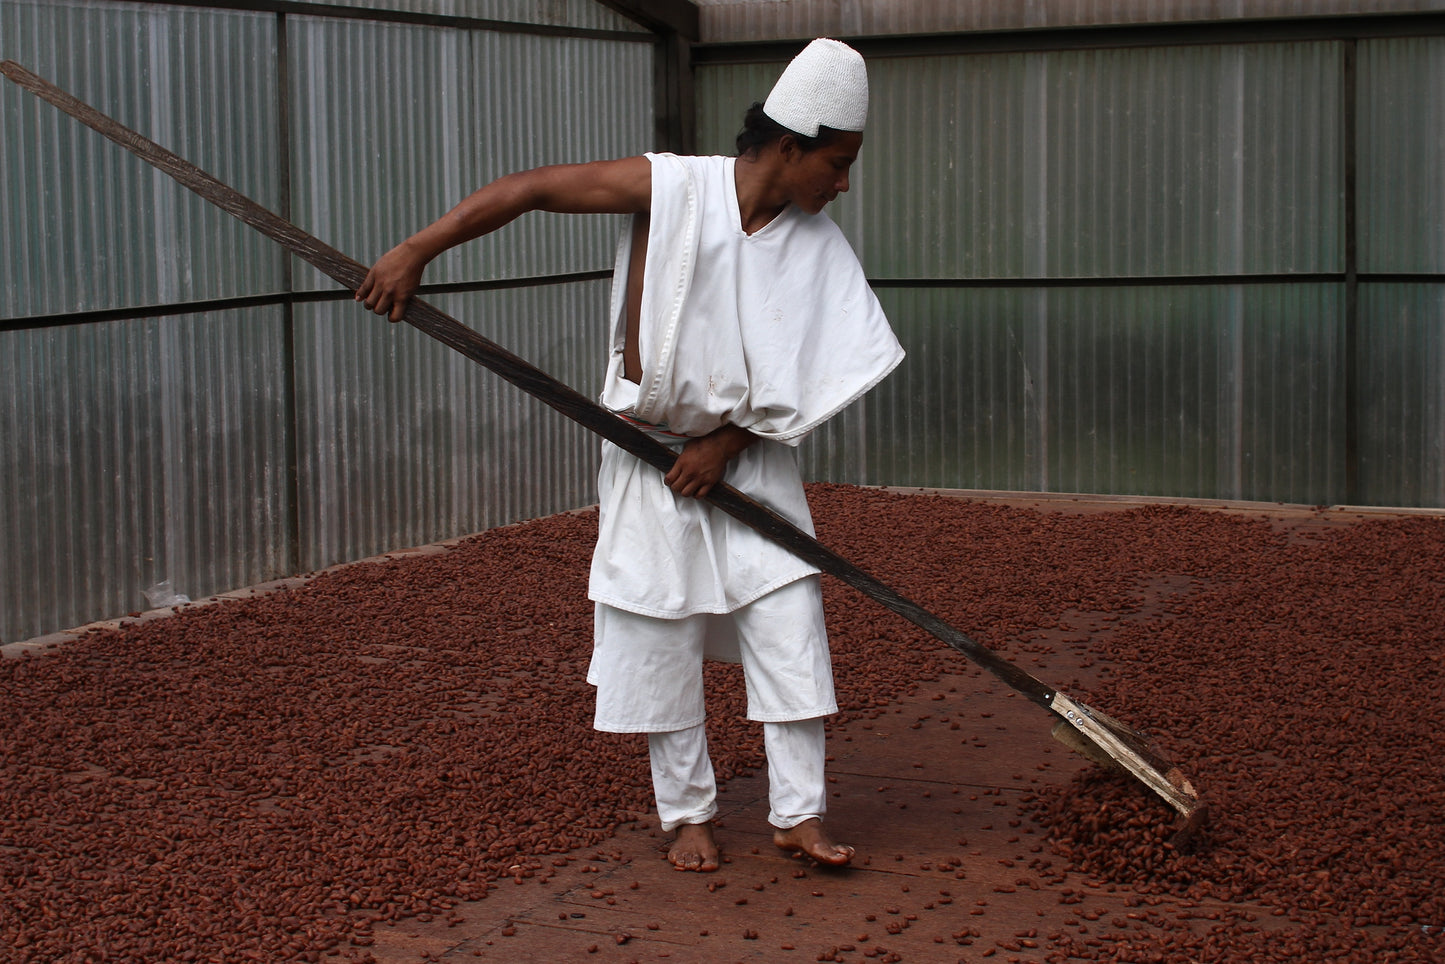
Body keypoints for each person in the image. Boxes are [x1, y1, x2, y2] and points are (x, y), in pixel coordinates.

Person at [356, 38, 904, 872]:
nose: (843, 183)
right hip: (649, 459)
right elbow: (530, 190)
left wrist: (727, 441)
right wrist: (413, 252)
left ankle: (798, 814)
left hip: (748, 462)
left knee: (791, 629)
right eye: (836, 162)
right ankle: (687, 814)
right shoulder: (671, 187)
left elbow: (824, 365)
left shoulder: (817, 243)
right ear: (789, 146)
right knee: (659, 635)